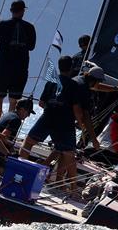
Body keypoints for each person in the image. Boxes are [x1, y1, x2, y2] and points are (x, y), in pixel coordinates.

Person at [18, 56, 85, 194]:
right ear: (71, 67)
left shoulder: (51, 81)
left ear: (59, 67)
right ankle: (73, 189)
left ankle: (20, 171)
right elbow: (77, 109)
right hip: (65, 121)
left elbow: (41, 103)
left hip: (48, 116)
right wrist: (81, 123)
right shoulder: (74, 85)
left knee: (28, 142)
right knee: (69, 154)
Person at [0, 0, 36, 123]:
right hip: (20, 69)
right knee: (14, 100)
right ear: (23, 11)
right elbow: (31, 46)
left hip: (3, 68)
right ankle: (8, 127)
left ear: (11, 11)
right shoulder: (29, 27)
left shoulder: (2, 24)